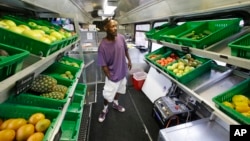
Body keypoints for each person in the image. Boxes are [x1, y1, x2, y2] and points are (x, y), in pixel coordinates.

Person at [97, 17, 132, 122]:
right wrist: (110, 77)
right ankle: (104, 109)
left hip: (122, 72)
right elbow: (103, 65)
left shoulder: (121, 38)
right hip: (112, 75)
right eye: (112, 26)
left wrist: (129, 60)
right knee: (108, 95)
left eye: (116, 26)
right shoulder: (102, 46)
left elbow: (125, 49)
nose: (115, 28)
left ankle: (116, 104)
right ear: (106, 28)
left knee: (120, 90)